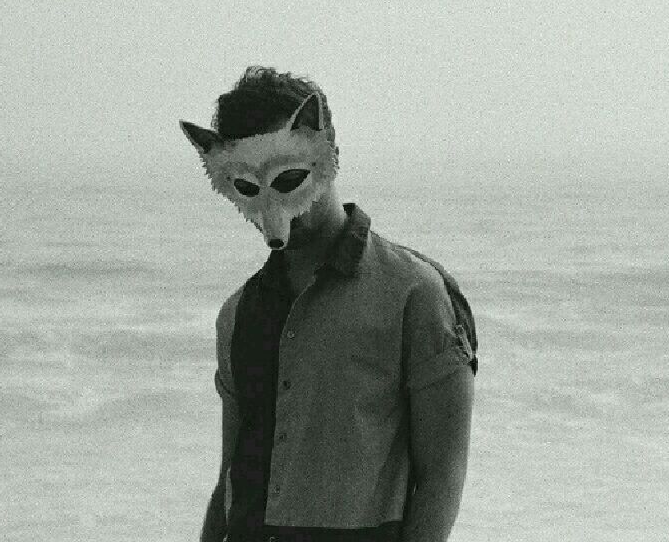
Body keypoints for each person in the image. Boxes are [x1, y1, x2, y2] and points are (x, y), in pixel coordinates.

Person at [180, 66, 476, 542]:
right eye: (248, 186)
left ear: (329, 151)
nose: (274, 209)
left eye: (288, 177)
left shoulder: (415, 294)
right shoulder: (238, 313)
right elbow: (229, 479)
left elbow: (442, 477)